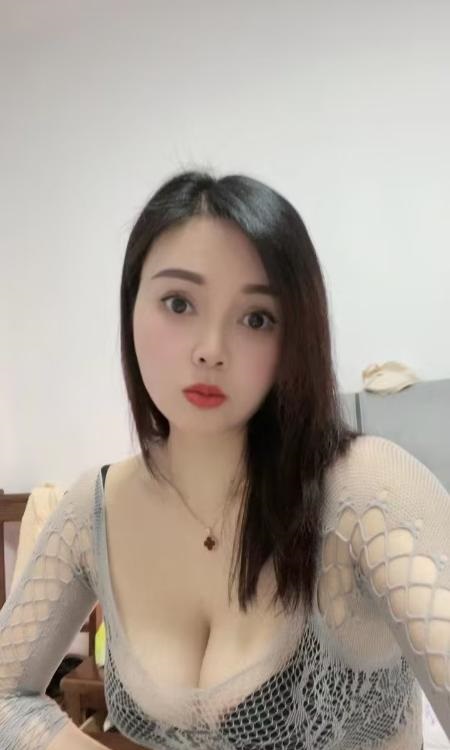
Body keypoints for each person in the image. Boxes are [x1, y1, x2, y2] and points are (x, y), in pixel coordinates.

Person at [0, 170, 448, 750]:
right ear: (131, 307)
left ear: (294, 335)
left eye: (256, 318)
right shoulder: (95, 508)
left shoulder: (366, 490)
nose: (211, 349)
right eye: (178, 303)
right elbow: (6, 694)